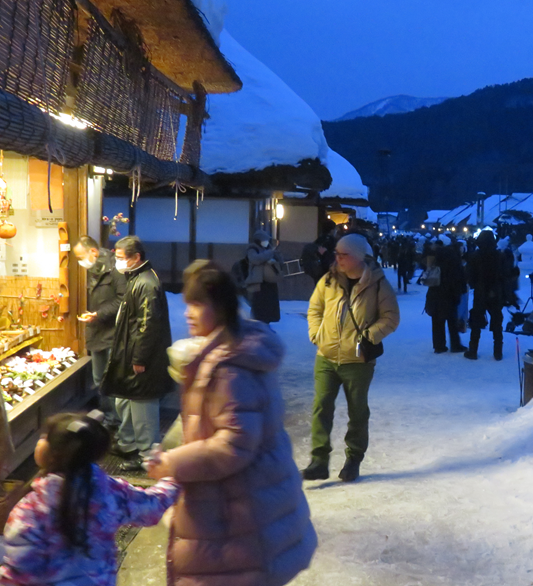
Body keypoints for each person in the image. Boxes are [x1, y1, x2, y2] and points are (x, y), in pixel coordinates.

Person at [145, 260, 316, 586]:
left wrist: (171, 462)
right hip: (247, 501)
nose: (188, 313)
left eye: (198, 304)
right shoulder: (237, 347)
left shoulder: (229, 368)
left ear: (221, 308)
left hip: (238, 510)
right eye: (188, 304)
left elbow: (234, 444)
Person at [0, 411, 179, 586]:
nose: (40, 441)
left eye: (44, 437)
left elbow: (19, 569)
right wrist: (173, 477)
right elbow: (152, 505)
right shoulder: (110, 490)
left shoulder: (31, 508)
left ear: (53, 453)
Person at [304, 233, 400, 482]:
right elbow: (315, 309)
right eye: (336, 253)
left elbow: (391, 317)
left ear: (358, 256)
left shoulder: (377, 283)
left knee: (357, 411)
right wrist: (317, 334)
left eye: (344, 254)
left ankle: (354, 458)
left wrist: (368, 336)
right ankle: (318, 460)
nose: (338, 258)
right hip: (326, 356)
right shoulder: (328, 280)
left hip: (358, 360)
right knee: (321, 406)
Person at [101, 235, 173, 470]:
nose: (118, 262)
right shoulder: (136, 277)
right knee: (125, 400)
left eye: (122, 258)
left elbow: (147, 324)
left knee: (143, 406)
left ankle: (147, 456)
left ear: (136, 258)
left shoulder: (146, 283)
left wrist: (139, 358)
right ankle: (128, 443)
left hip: (142, 357)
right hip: (130, 353)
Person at [73, 236, 126, 428]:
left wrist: (98, 314)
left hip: (113, 332)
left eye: (81, 257)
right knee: (99, 380)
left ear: (93, 252)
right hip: (96, 331)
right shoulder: (93, 269)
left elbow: (123, 299)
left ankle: (117, 421)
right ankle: (108, 417)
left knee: (113, 380)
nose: (80, 261)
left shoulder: (115, 269)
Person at [465, 230, 510, 361]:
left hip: (480, 291)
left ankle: (473, 350)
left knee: (476, 321)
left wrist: (475, 284)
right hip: (495, 291)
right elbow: (505, 274)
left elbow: (469, 275)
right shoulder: (500, 256)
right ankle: (498, 352)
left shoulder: (475, 256)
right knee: (497, 321)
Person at [426, 236, 467, 353]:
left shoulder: (436, 256)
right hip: (449, 293)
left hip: (434, 292)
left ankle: (439, 345)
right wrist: (460, 292)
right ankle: (455, 344)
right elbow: (459, 278)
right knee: (452, 320)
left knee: (437, 320)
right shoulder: (454, 259)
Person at [245, 229, 285, 324]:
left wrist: (277, 254)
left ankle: (267, 323)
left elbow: (280, 262)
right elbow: (255, 259)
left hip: (270, 281)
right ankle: (259, 324)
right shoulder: (252, 249)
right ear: (259, 240)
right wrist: (270, 253)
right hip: (259, 282)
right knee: (259, 307)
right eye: (264, 240)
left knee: (269, 305)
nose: (266, 242)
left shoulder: (269, 249)